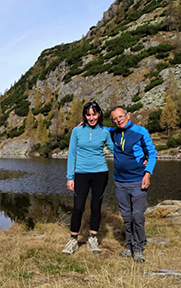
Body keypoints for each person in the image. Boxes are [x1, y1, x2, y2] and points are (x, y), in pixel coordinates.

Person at [62, 101, 114, 255]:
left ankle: (93, 239)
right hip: (81, 174)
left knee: (96, 207)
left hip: (100, 173)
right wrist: (70, 177)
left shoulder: (105, 132)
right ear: (85, 116)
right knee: (78, 207)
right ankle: (73, 240)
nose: (92, 118)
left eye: (94, 114)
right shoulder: (77, 131)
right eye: (88, 115)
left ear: (99, 114)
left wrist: (135, 158)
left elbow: (115, 150)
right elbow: (71, 155)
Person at [107, 106, 157, 263]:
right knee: (127, 217)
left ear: (128, 115)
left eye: (120, 116)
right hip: (120, 182)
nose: (118, 120)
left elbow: (153, 154)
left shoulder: (140, 132)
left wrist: (147, 174)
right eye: (115, 118)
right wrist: (85, 124)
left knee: (137, 216)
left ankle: (139, 248)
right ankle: (130, 245)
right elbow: (98, 128)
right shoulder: (113, 132)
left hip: (137, 181)